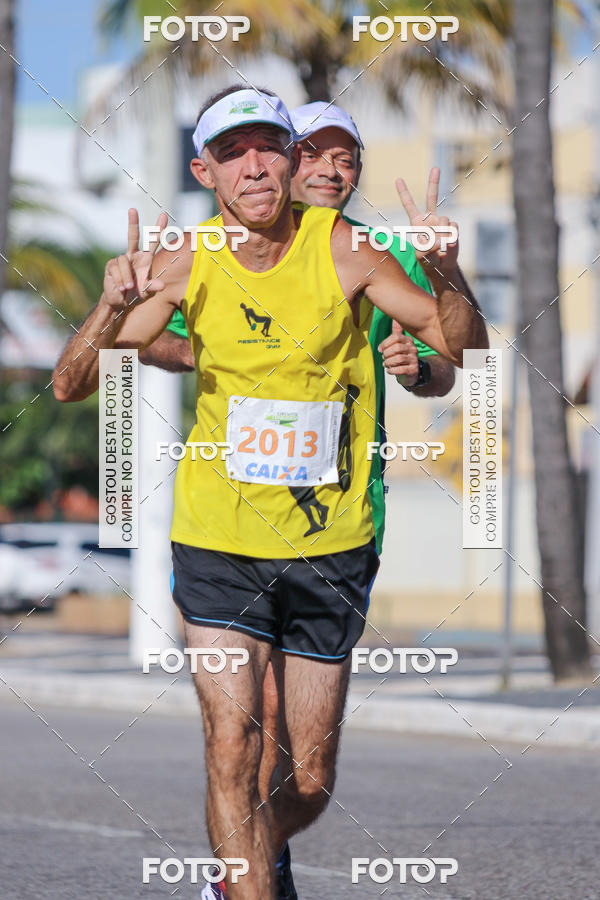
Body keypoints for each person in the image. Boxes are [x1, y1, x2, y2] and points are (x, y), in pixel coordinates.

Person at [53, 86, 487, 900]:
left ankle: (241, 858)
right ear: (205, 171)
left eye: (268, 149)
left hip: (331, 539)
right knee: (232, 743)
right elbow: (75, 382)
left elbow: (463, 349)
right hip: (217, 536)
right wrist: (109, 307)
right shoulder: (187, 262)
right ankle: (243, 881)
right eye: (233, 153)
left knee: (310, 775)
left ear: (291, 162)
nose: (254, 167)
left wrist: (445, 268)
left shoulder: (349, 249)